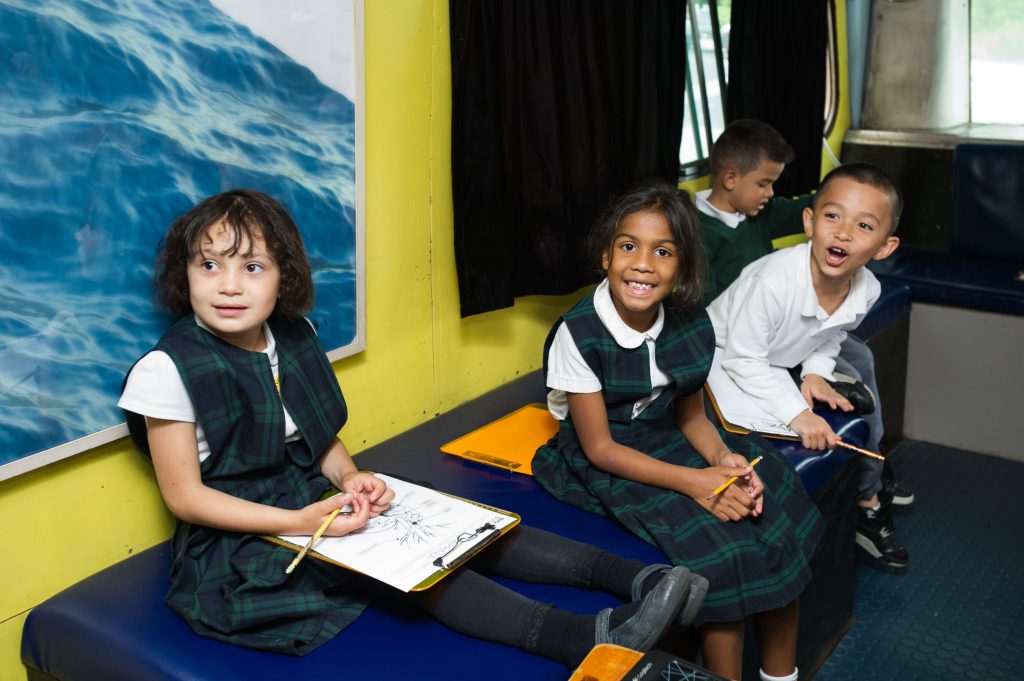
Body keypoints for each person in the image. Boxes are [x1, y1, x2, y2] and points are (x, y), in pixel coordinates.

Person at [118, 189, 707, 667]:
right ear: (185, 273)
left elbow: (318, 441)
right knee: (414, 561)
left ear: (282, 277)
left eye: (252, 267)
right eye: (209, 265)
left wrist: (350, 477)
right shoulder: (166, 370)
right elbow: (186, 498)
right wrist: (298, 523)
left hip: (309, 500)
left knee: (453, 523)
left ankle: (646, 580)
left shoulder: (295, 336)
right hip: (240, 536)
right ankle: (580, 637)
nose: (229, 285)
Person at [533, 181, 823, 681]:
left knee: (770, 494)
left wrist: (720, 461)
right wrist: (696, 484)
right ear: (606, 255)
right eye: (628, 246)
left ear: (683, 266)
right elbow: (599, 448)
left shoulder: (690, 321)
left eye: (663, 251)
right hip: (609, 456)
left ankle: (782, 676)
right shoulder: (578, 334)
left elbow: (691, 416)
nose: (643, 263)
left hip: (668, 435)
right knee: (722, 550)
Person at [697, 120, 914, 564]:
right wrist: (798, 415)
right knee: (762, 434)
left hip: (778, 359)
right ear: (810, 223)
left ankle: (867, 489)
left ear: (885, 247)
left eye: (863, 226)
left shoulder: (867, 289)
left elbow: (829, 336)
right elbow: (743, 359)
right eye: (832, 217)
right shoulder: (772, 281)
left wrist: (814, 373)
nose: (844, 232)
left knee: (855, 394)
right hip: (723, 358)